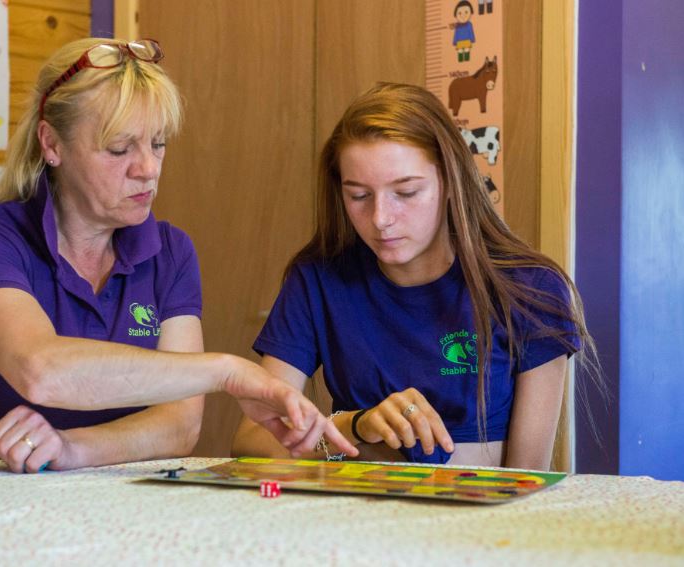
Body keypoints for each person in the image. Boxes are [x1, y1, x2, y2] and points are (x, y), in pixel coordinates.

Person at [0, 38, 356, 472]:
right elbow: (42, 369)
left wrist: (70, 450)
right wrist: (226, 370)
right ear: (52, 144)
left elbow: (178, 424)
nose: (147, 169)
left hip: (52, 493)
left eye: (158, 144)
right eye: (120, 149)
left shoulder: (171, 251)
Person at [232, 82, 599, 471]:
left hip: (482, 526)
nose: (380, 219)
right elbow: (251, 441)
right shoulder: (317, 279)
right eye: (358, 196)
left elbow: (528, 481)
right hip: (353, 519)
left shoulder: (530, 288)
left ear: (451, 182)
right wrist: (355, 425)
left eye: (405, 193)